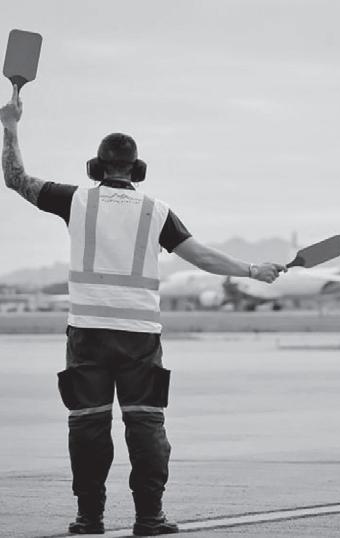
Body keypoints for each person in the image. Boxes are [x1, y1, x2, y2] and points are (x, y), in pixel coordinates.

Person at [0, 86, 286, 536]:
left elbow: (16, 179)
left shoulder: (75, 200)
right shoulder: (157, 211)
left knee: (88, 426)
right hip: (139, 335)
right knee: (146, 425)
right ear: (137, 170)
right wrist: (253, 269)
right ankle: (149, 517)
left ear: (95, 168)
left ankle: (89, 518)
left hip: (88, 334)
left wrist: (11, 125)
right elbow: (203, 258)